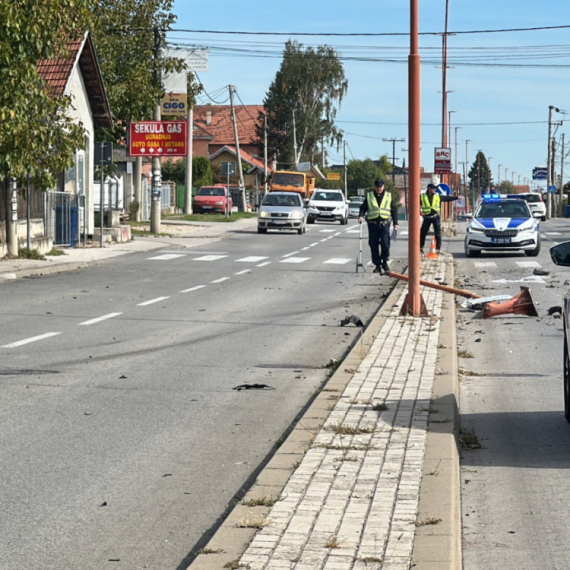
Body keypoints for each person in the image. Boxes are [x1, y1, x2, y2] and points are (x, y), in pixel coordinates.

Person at [358, 179, 399, 273]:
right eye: (377, 187)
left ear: (383, 187)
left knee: (385, 244)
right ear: (374, 187)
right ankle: (377, 265)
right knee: (373, 244)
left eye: (380, 187)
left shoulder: (388, 196)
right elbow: (363, 207)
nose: (379, 189)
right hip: (373, 225)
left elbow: (393, 210)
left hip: (384, 224)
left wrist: (395, 223)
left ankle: (384, 262)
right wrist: (361, 216)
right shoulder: (369, 196)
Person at [420, 183, 459, 254]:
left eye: (435, 188)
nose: (435, 189)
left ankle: (438, 248)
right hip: (427, 217)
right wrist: (419, 212)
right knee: (423, 232)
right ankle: (420, 247)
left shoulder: (437, 196)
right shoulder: (422, 196)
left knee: (437, 233)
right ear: (429, 189)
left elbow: (447, 198)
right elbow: (415, 204)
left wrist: (456, 197)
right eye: (433, 188)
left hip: (435, 217)